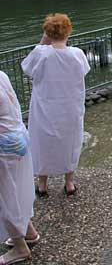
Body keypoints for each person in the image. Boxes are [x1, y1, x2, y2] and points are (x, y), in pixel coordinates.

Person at [21, 13, 90, 196]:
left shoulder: (41, 53)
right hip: (70, 107)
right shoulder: (77, 54)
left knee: (42, 143)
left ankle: (42, 185)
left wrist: (43, 42)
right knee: (71, 143)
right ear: (68, 32)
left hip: (44, 107)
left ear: (48, 33)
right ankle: (69, 183)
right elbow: (84, 72)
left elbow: (26, 67)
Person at [0, 70, 39, 265]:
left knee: (5, 199)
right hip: (18, 137)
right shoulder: (1, 75)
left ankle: (20, 249)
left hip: (4, 146)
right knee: (17, 192)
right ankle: (29, 232)